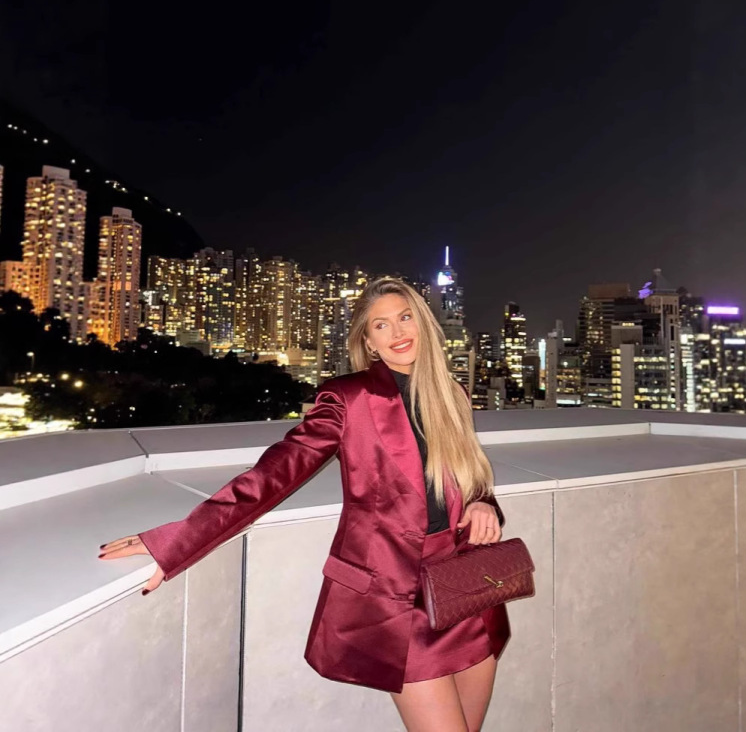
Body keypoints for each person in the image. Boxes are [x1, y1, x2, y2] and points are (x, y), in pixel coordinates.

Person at [99, 276, 510, 731]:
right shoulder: (349, 397)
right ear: (368, 342)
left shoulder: (451, 393)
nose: (397, 332)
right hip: (397, 593)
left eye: (405, 317)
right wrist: (180, 540)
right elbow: (276, 473)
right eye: (381, 325)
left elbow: (467, 469)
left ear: (423, 322)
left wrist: (482, 503)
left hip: (462, 581)